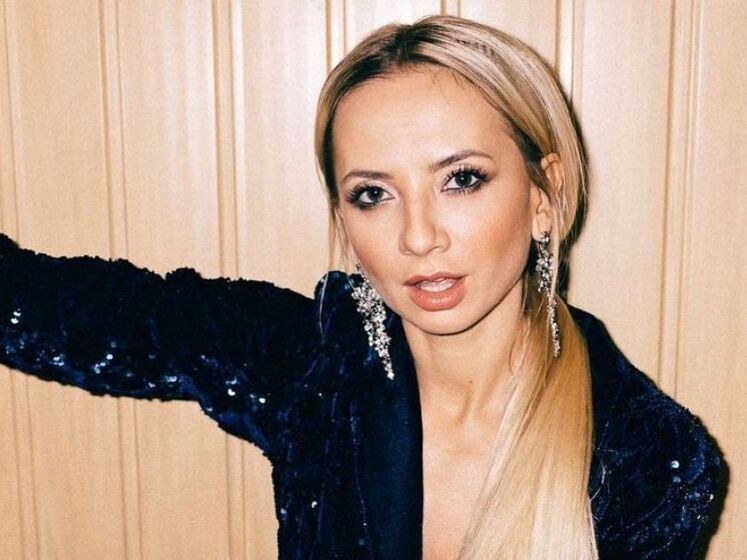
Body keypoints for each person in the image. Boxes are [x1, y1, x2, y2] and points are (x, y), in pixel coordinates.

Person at [0, 14, 724, 560]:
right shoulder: (318, 368)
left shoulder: (649, 458)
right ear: (344, 219)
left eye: (461, 179)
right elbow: (54, 308)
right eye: (373, 194)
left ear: (544, 195)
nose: (418, 236)